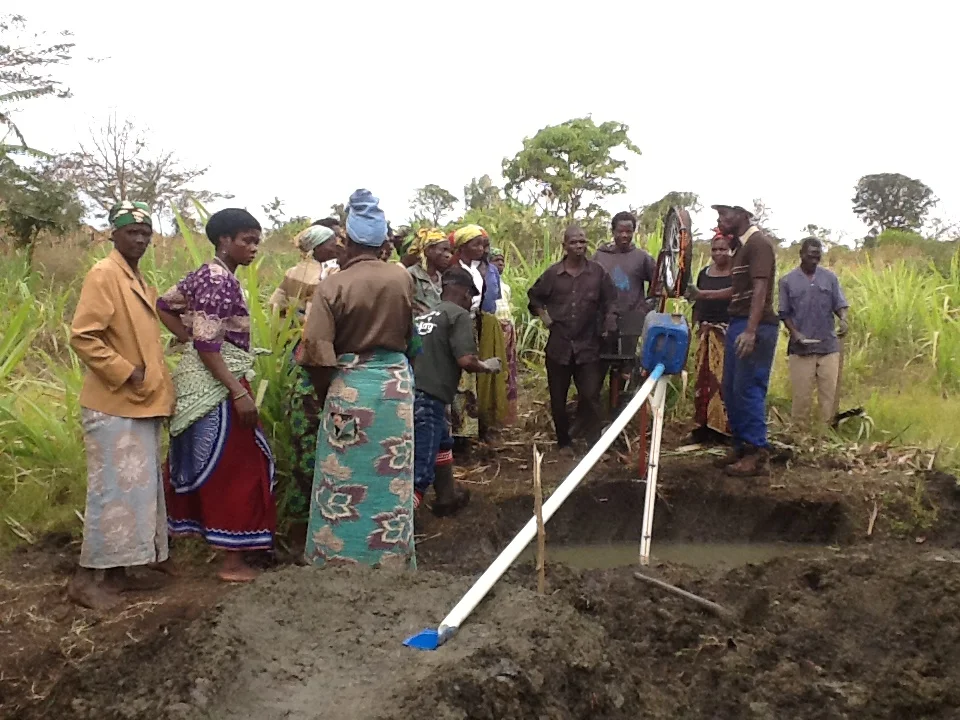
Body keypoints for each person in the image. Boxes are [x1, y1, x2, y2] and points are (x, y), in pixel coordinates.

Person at [298, 189, 417, 569]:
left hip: (351, 390)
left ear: (346, 240)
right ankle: (390, 558)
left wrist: (326, 396)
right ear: (383, 242)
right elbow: (412, 336)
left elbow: (317, 353)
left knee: (342, 475)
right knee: (392, 475)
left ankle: (338, 559)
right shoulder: (401, 278)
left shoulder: (333, 285)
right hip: (395, 389)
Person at [157, 208, 277, 582]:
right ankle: (232, 562)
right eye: (247, 240)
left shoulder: (205, 274)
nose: (254, 248)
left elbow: (164, 305)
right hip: (219, 386)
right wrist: (238, 393)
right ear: (224, 240)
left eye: (256, 241)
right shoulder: (219, 281)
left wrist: (187, 338)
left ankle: (166, 544)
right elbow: (209, 344)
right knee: (238, 468)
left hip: (205, 381)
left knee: (210, 463)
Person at [68, 201, 176, 609]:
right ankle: (86, 581)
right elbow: (83, 335)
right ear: (113, 234)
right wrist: (126, 371)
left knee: (134, 495)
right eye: (132, 232)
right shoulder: (104, 274)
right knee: (109, 494)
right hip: (114, 403)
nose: (141, 239)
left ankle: (119, 574)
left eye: (146, 233)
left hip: (139, 402)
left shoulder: (135, 278)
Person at [691, 204, 779, 477]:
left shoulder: (758, 244)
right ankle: (740, 446)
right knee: (731, 388)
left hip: (755, 324)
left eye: (724, 214)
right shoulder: (741, 247)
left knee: (748, 388)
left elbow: (761, 290)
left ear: (742, 214)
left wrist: (751, 331)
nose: (720, 220)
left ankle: (756, 452)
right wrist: (703, 295)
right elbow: (739, 290)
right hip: (739, 321)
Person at [413, 267, 501, 514]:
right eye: (471, 296)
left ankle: (447, 497)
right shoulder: (459, 315)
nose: (470, 301)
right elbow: (466, 360)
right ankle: (398, 524)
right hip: (430, 396)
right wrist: (487, 366)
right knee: (421, 469)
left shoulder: (423, 317)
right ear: (464, 292)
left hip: (410, 392)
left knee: (442, 443)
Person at [528, 225, 617, 453]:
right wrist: (546, 318)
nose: (579, 246)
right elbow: (534, 298)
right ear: (564, 246)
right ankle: (564, 442)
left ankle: (594, 444)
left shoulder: (597, 272)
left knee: (591, 395)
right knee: (558, 397)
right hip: (559, 346)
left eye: (582, 242)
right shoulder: (553, 275)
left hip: (588, 345)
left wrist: (609, 320)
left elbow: (610, 300)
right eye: (574, 242)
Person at [778, 237, 849, 426]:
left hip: (828, 347)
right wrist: (795, 333)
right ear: (801, 254)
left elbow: (840, 304)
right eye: (810, 256)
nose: (814, 260)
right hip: (801, 349)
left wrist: (843, 319)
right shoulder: (787, 281)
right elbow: (784, 313)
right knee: (801, 399)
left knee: (829, 398)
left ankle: (826, 433)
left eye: (818, 256)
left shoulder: (830, 278)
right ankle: (799, 435)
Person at [593, 211, 657, 402]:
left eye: (629, 231)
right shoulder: (600, 256)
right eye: (620, 231)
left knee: (625, 366)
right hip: (604, 320)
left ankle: (620, 407)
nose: (624, 235)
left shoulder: (642, 258)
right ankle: (595, 406)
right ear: (612, 231)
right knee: (599, 365)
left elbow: (658, 284)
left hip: (631, 321)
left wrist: (645, 307)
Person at [691, 231, 736, 444]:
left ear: (731, 250)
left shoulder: (736, 275)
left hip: (726, 333)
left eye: (723, 249)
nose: (718, 253)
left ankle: (722, 429)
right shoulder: (704, 274)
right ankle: (703, 426)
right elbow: (698, 303)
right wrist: (695, 326)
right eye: (715, 249)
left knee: (723, 382)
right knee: (703, 380)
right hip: (705, 332)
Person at [269, 223, 339, 318]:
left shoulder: (291, 272)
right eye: (332, 244)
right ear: (317, 247)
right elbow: (314, 317)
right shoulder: (322, 277)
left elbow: (275, 304)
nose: (336, 248)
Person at [490, 247, 519, 425]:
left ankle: (507, 414)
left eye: (502, 260)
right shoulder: (487, 283)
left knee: (509, 369)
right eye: (496, 260)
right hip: (496, 329)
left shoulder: (505, 287)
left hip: (508, 328)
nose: (500, 263)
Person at [408, 227, 454, 315]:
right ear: (428, 250)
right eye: (444, 249)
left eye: (449, 251)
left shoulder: (442, 277)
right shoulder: (411, 275)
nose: (449, 255)